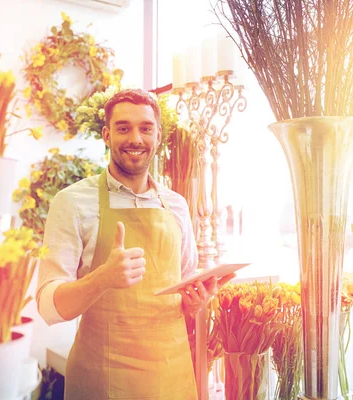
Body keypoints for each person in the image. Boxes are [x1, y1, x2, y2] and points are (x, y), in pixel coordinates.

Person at [36, 88, 234, 400]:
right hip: (103, 378)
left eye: (145, 128)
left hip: (171, 375)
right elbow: (48, 306)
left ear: (158, 136)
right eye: (123, 128)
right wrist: (103, 278)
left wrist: (196, 300)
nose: (135, 140)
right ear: (106, 134)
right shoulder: (72, 202)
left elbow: (184, 285)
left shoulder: (177, 205)